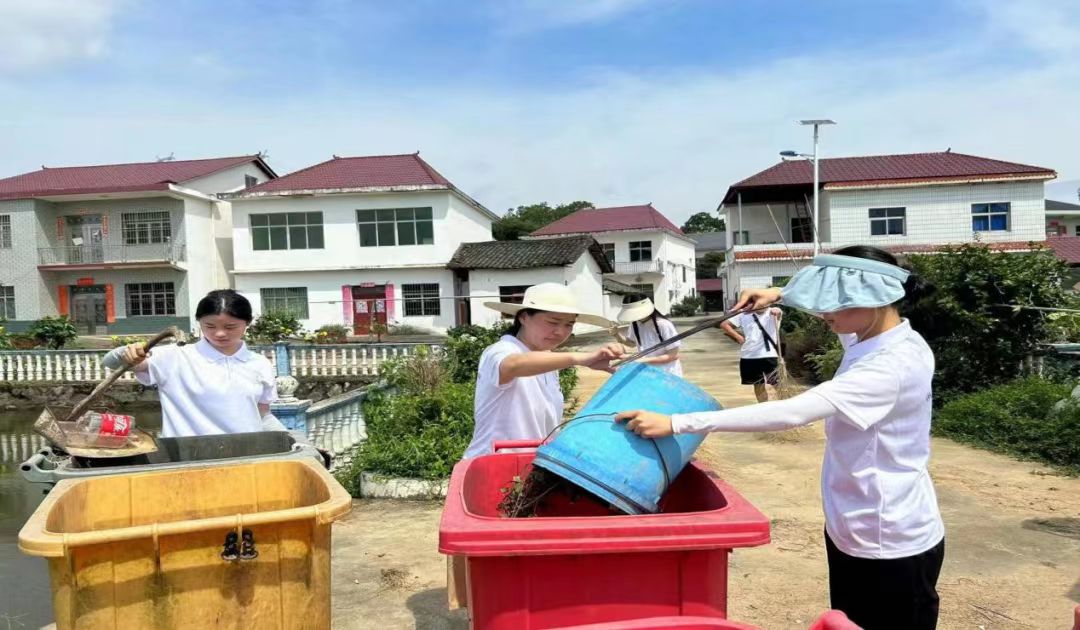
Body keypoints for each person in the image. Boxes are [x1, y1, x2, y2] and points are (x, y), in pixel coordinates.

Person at [615, 246, 944, 630]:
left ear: (875, 299)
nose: (823, 312)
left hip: (890, 538)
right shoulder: (872, 336)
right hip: (855, 525)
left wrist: (677, 423)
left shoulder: (891, 366)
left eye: (834, 302)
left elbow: (791, 413)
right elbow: (835, 316)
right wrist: (779, 294)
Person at [462, 283, 623, 458]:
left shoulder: (548, 362)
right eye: (552, 322)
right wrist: (578, 358)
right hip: (492, 462)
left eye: (569, 324)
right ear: (524, 317)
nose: (560, 332)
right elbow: (512, 365)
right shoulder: (501, 350)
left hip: (531, 463)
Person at [103, 289, 282, 437]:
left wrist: (289, 439)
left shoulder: (259, 364)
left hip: (247, 455)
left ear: (247, 323)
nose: (220, 333)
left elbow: (263, 414)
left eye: (230, 327)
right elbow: (110, 361)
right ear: (199, 322)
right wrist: (128, 352)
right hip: (189, 456)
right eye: (210, 326)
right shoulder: (176, 357)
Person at [719, 304, 782, 402]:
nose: (761, 304)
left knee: (777, 384)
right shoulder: (743, 314)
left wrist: (777, 311)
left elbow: (778, 312)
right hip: (749, 356)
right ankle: (763, 407)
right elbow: (724, 324)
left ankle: (783, 406)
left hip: (769, 356)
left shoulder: (773, 312)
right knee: (758, 385)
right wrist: (738, 337)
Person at [609, 294, 683, 376]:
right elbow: (632, 343)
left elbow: (673, 355)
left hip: (668, 373)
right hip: (649, 372)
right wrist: (616, 334)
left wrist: (642, 360)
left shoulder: (663, 324)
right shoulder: (635, 323)